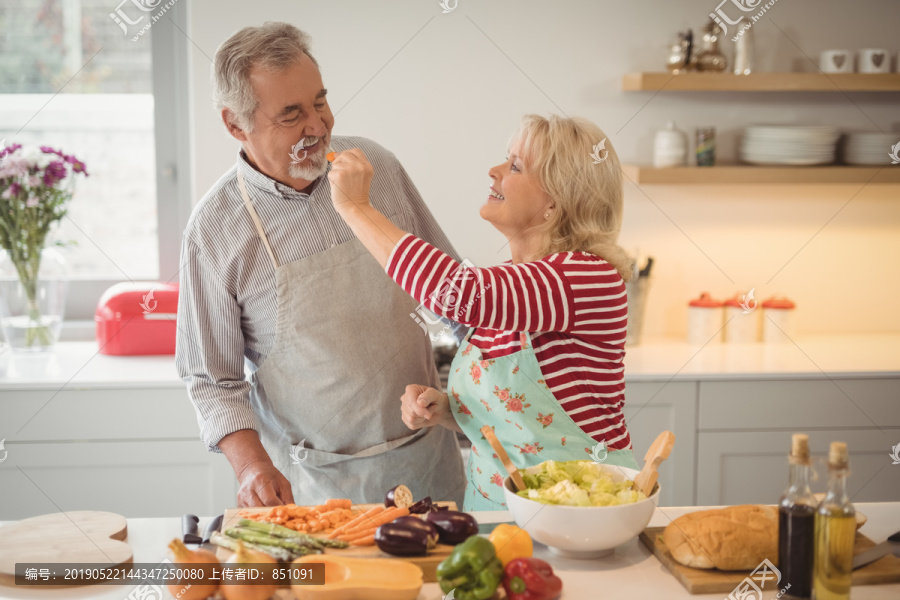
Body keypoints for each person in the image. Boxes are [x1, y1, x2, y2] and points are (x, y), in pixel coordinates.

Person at [175, 22, 466, 507]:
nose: (317, 125)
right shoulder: (214, 230)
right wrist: (252, 468)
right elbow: (212, 381)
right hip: (316, 488)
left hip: (426, 465)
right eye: (291, 114)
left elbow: (456, 296)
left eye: (320, 102)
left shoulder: (377, 168)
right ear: (235, 124)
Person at [326, 114, 640, 510]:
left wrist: (356, 207)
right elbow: (522, 430)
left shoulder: (585, 276)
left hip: (585, 513)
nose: (493, 172)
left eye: (515, 166)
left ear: (554, 202)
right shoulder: (514, 285)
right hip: (495, 516)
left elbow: (454, 293)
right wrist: (450, 410)